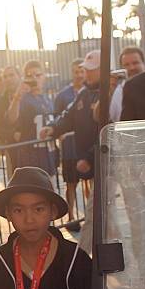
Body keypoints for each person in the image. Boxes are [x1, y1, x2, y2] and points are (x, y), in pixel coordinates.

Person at [40, 50, 101, 253]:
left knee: (96, 214)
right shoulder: (85, 92)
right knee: (103, 213)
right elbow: (68, 115)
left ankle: (82, 258)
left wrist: (89, 157)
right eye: (86, 70)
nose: (86, 74)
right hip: (96, 162)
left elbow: (109, 130)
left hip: (106, 162)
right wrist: (54, 128)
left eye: (91, 70)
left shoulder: (110, 92)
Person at [6, 60, 57, 174]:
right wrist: (17, 96)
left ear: (44, 77)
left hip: (48, 154)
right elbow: (11, 118)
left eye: (38, 75)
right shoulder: (23, 99)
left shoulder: (47, 99)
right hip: (30, 157)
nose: (34, 79)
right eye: (30, 76)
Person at [54, 59, 85, 228]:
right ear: (72, 72)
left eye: (82, 71)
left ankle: (92, 215)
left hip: (87, 147)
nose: (79, 75)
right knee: (71, 183)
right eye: (76, 71)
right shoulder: (62, 95)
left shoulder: (92, 92)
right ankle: (71, 217)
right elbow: (58, 118)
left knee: (93, 184)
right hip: (70, 149)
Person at [109, 46, 145, 122]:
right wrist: (109, 93)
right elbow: (105, 118)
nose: (131, 68)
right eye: (126, 65)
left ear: (144, 64)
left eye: (135, 63)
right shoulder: (118, 90)